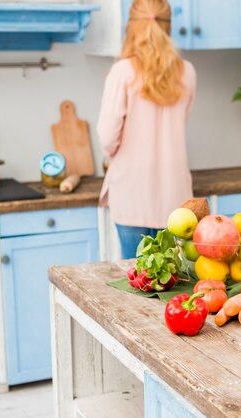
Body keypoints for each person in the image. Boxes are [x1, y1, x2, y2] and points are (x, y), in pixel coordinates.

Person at [97, 0, 196, 259]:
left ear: (132, 26)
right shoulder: (187, 72)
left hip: (131, 195)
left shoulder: (122, 72)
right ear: (168, 26)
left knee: (138, 282)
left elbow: (107, 137)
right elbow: (179, 124)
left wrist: (118, 152)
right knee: (174, 282)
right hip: (175, 197)